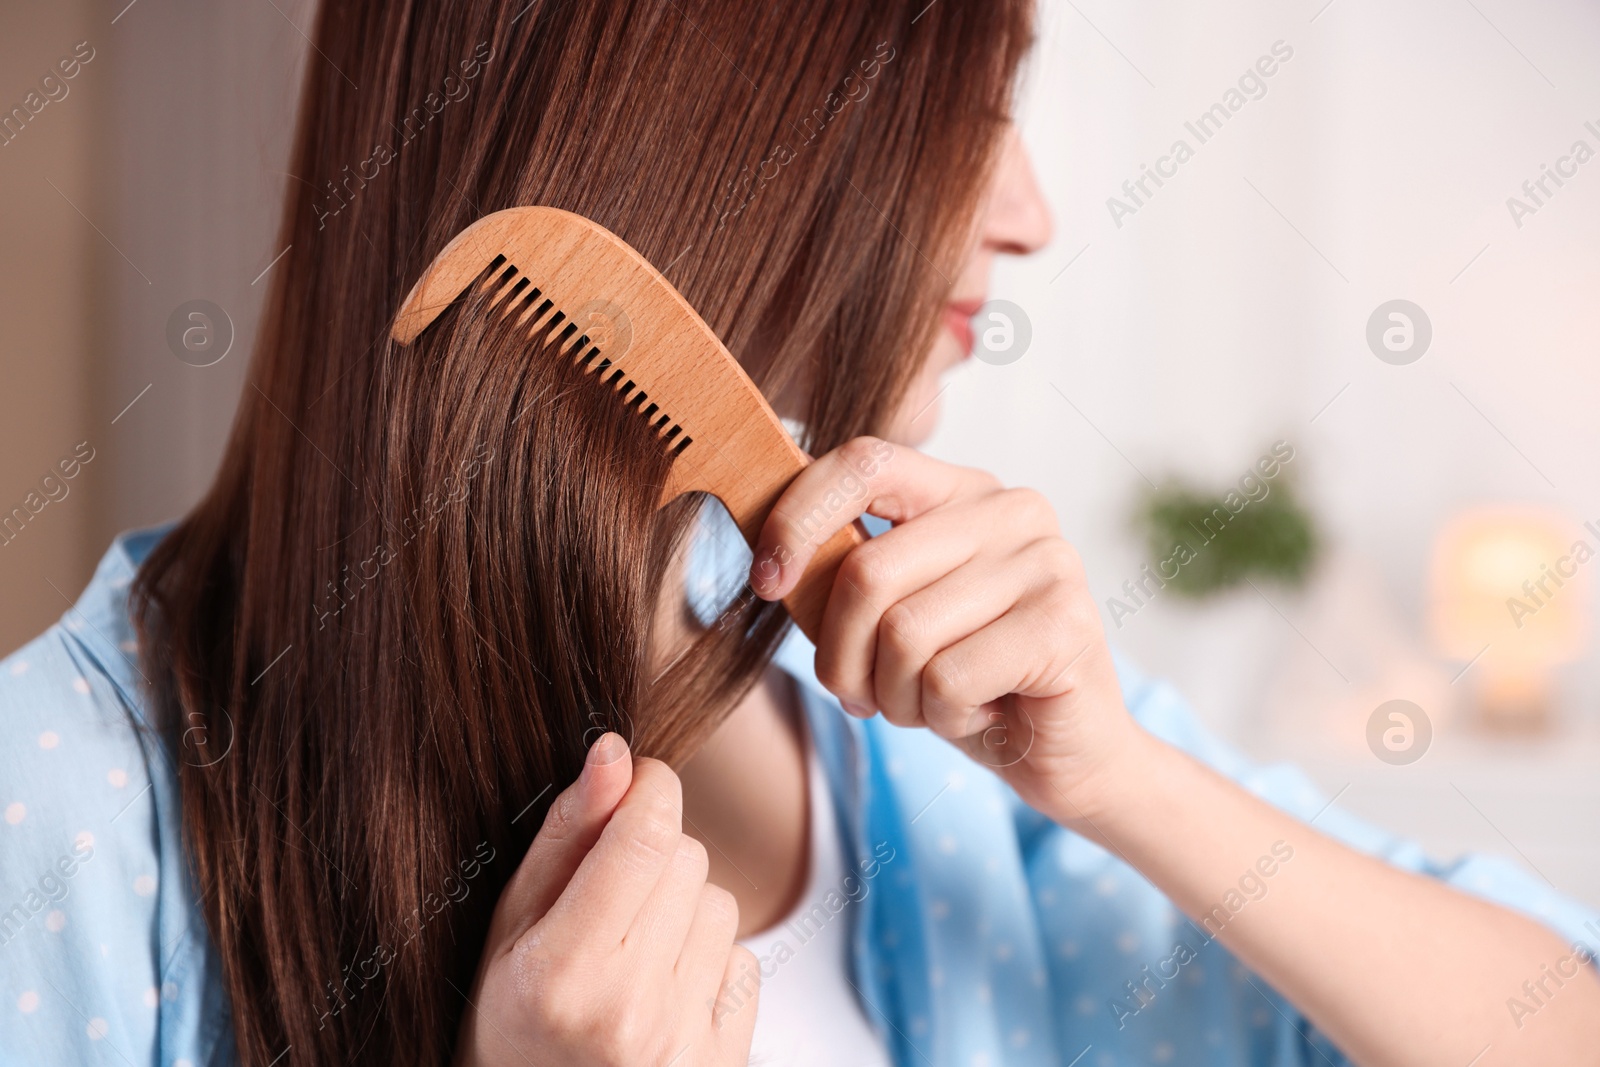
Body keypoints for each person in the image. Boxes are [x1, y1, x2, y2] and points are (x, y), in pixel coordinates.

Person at [2, 2, 1597, 1066]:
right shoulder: (61, 802)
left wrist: (1121, 778)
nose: (1033, 212)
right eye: (975, 104)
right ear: (709, 115)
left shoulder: (927, 730)